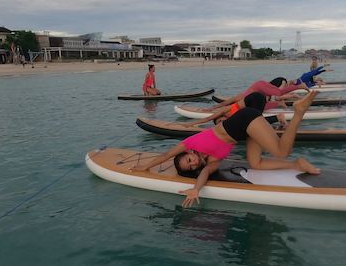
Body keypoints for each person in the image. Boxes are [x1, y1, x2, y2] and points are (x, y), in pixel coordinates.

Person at [132, 91, 321, 208]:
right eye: (191, 167)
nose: (194, 163)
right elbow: (204, 172)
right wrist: (195, 190)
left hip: (243, 120)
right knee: (256, 163)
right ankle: (296, 164)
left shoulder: (189, 143)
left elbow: (166, 155)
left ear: (189, 153)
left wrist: (145, 168)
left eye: (189, 160)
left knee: (281, 151)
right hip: (245, 131)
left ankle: (298, 111)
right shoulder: (212, 162)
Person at [206, 77, 307, 112]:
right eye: (283, 85)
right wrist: (213, 109)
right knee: (267, 102)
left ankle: (300, 87)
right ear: (277, 83)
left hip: (255, 95)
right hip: (245, 103)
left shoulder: (265, 91)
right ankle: (300, 86)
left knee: (272, 98)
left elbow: (277, 94)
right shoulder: (261, 86)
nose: (284, 87)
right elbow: (226, 103)